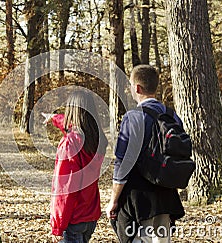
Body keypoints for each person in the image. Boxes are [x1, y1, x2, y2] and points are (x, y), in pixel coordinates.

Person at [105, 65, 185, 243]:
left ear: (137, 88)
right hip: (166, 195)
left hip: (138, 198)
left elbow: (122, 163)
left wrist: (114, 200)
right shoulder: (172, 116)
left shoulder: (132, 117)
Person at [43, 90, 108, 243]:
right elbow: (75, 127)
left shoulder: (70, 144)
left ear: (71, 111)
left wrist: (57, 226)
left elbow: (65, 188)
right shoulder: (97, 139)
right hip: (90, 215)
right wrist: (53, 118)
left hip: (74, 219)